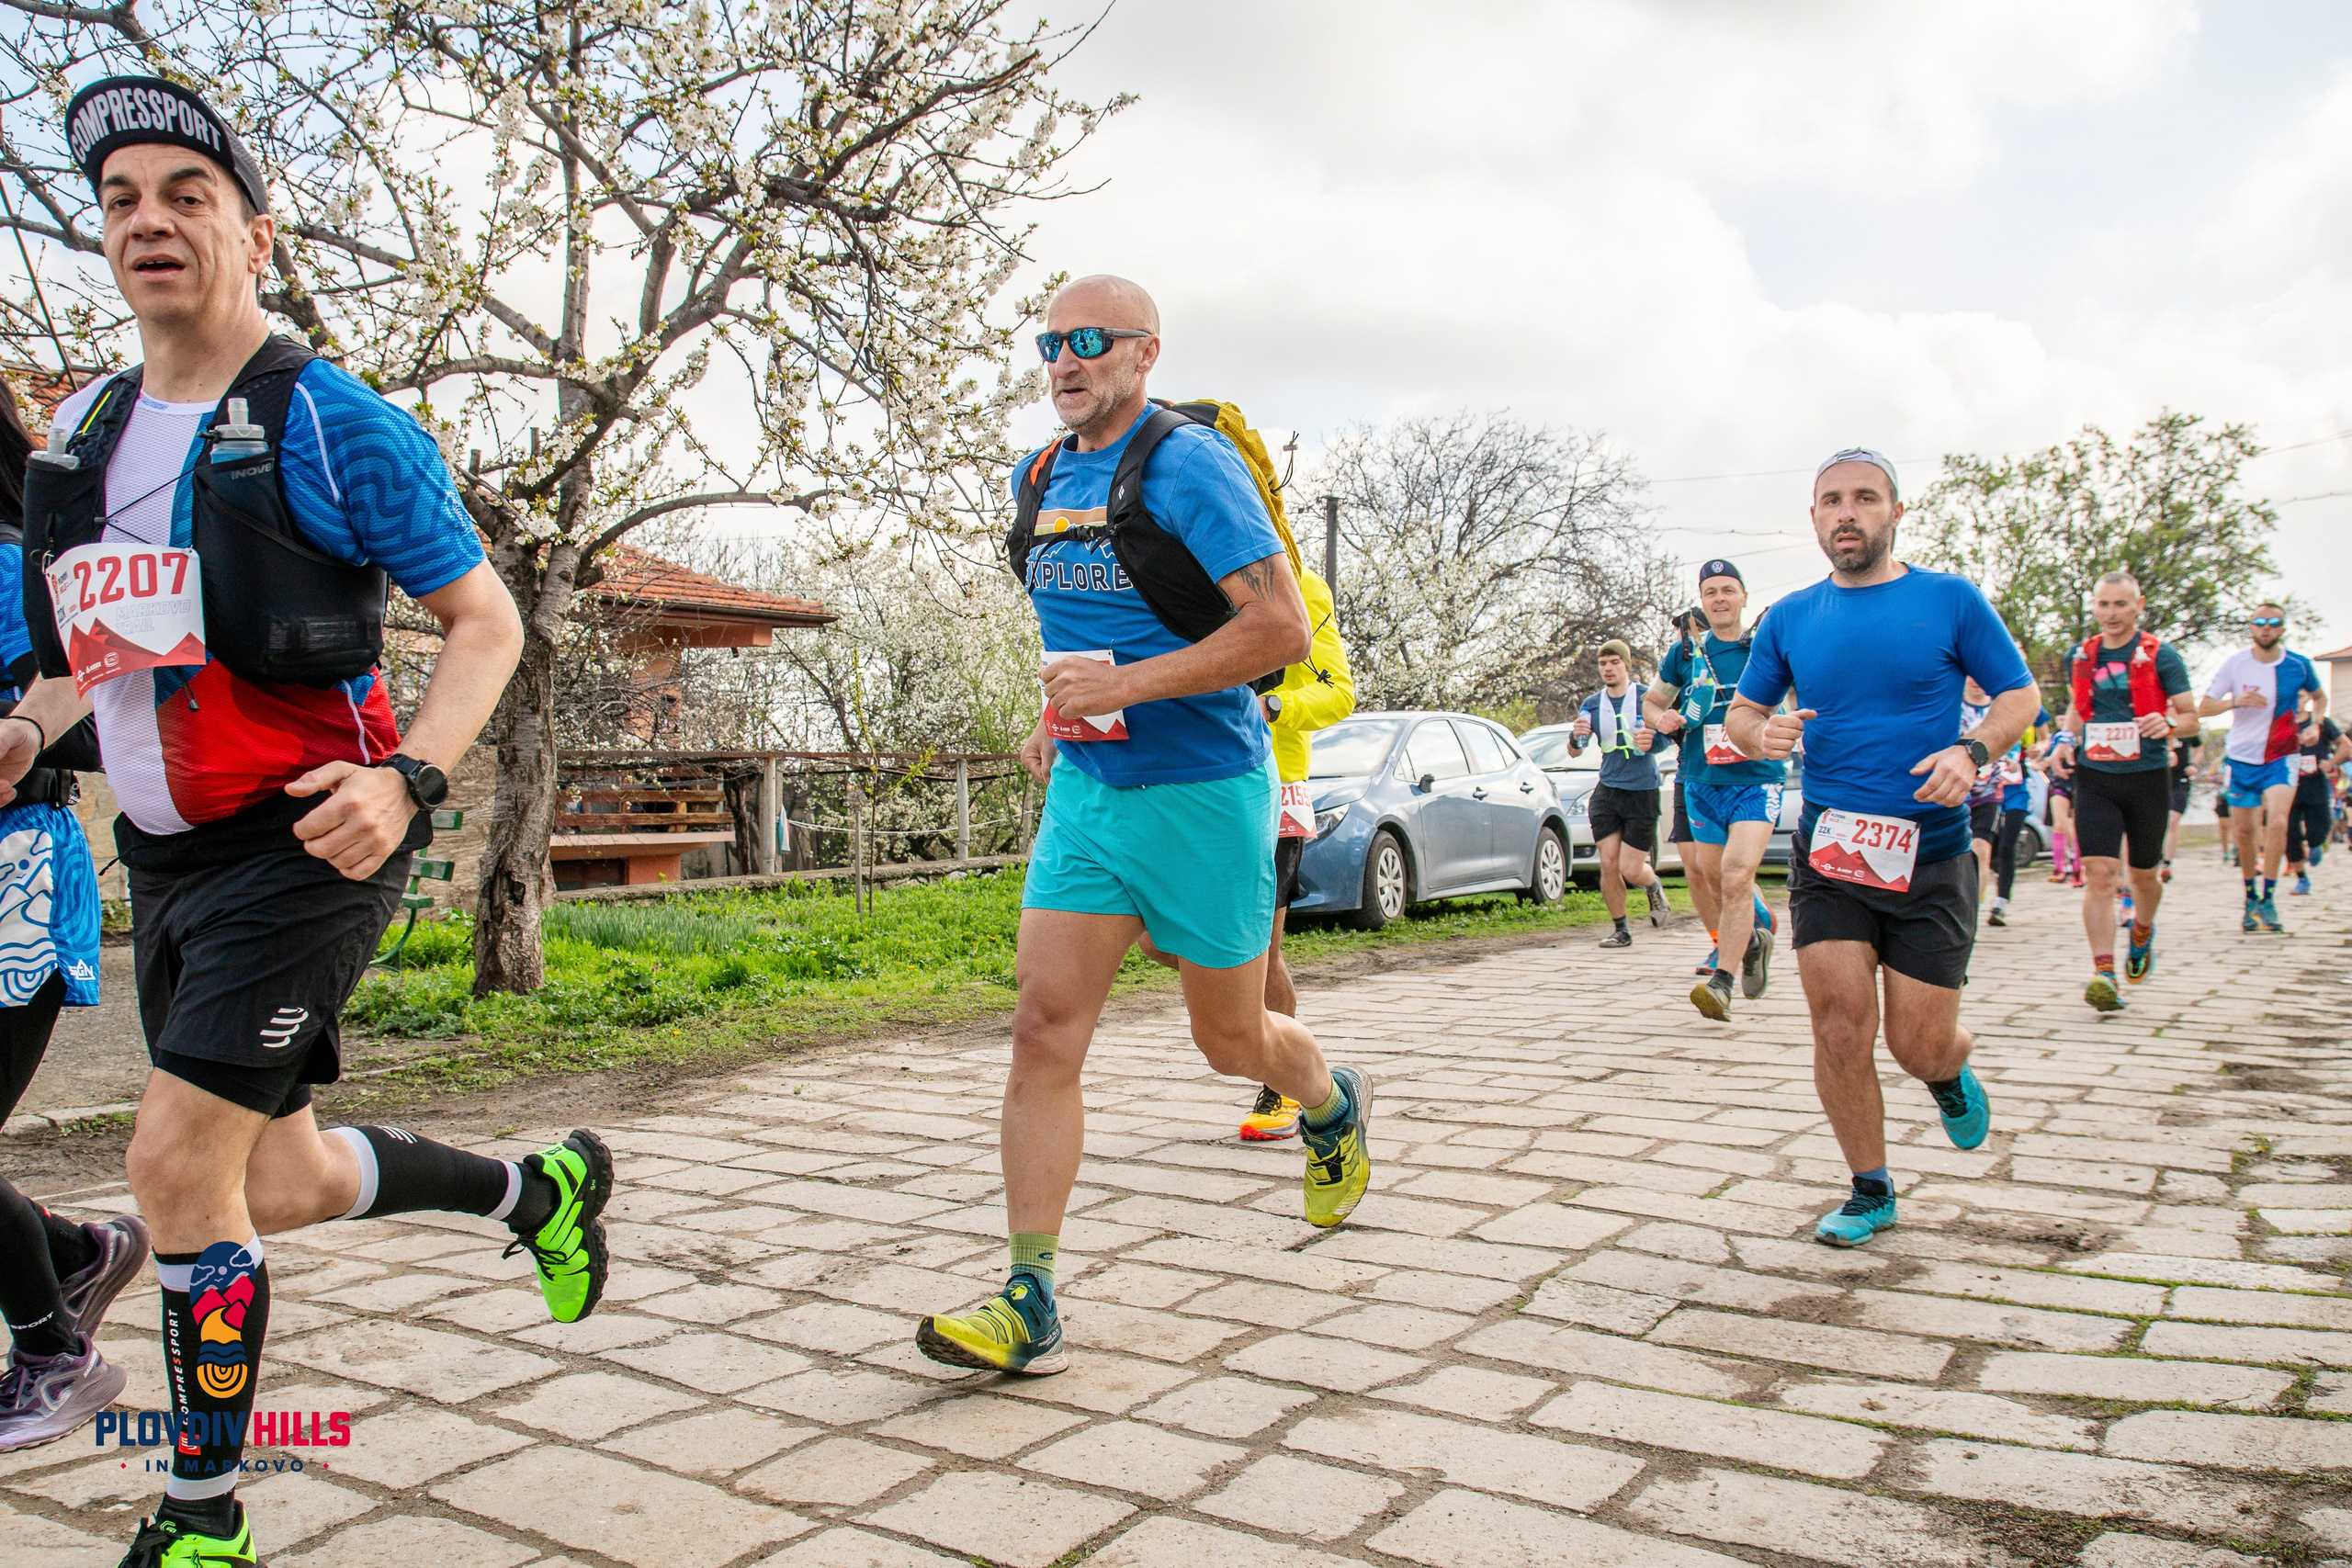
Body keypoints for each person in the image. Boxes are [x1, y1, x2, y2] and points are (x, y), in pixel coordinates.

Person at [16, 81, 606, 1567]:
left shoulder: (335, 424)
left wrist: (405, 778)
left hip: (311, 834)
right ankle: (538, 1190)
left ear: (254, 234)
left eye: (187, 195)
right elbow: (101, 652)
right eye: (123, 199)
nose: (151, 219)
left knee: (168, 1170)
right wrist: (29, 724)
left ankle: (203, 1512)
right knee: (268, 1179)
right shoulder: (82, 430)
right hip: (166, 852)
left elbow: (485, 623)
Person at [919, 275, 1371, 1379]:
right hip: (1088, 797)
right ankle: (1030, 1291)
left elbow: (1274, 633)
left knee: (1230, 1043)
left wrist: (1129, 681)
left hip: (1206, 794)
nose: (1064, 362)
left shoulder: (1189, 466)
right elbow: (1078, 630)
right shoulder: (1043, 474)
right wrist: (1052, 715)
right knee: (1041, 1029)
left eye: (1089, 342)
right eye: (1048, 344)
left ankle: (1327, 1098)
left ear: (1144, 352)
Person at [1727, 449, 2036, 1248]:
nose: (1847, 512)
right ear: (1814, 518)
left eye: (1864, 498)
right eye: (1831, 499)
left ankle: (1949, 1070)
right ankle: (1870, 1186)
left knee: (1916, 1043)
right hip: (1832, 852)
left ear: (1896, 510)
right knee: (1839, 1028)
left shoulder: (1949, 600)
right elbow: (1742, 717)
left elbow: (2020, 694)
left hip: (1930, 856)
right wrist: (1764, 731)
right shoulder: (1791, 617)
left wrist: (1971, 752)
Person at [0, 377, 151, 1453]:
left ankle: (58, 1353)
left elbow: (93, 691)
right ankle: (68, 1250)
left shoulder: (20, 555)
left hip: (16, 878)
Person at [1134, 565, 1353, 1142]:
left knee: (1267, 949)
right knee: (1153, 938)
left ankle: (1283, 1089)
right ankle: (1243, 999)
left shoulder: (1303, 589)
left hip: (1274, 787)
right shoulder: (1182, 580)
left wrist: (1272, 708)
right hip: (1193, 783)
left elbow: (1338, 691)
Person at [2048, 572, 2198, 1012]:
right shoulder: (2082, 655)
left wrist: (2168, 724)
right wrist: (2063, 741)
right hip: (2096, 777)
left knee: (2144, 876)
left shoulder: (2162, 655)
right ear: (2094, 607)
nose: (2111, 613)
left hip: (2148, 778)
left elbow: (2190, 718)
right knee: (2098, 873)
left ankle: (2142, 931)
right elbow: (2079, 708)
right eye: (2104, 605)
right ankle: (2104, 973)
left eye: (2121, 605)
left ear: (2138, 605)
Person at [1647, 559, 1781, 1019]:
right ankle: (1754, 941)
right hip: (1702, 781)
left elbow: (1804, 699)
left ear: (1743, 596)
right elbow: (1652, 701)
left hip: (1756, 781)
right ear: (1702, 601)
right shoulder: (1684, 654)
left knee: (1738, 871)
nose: (1720, 598)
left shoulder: (1767, 647)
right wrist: (1659, 718)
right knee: (1713, 877)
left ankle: (1723, 984)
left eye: (1728, 590)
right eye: (1711, 592)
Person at [2199, 604, 2324, 934]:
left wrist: (2316, 725)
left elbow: (2319, 697)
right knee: (2245, 831)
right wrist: (2234, 702)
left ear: (2282, 628)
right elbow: (2204, 707)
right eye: (2259, 622)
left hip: (2282, 755)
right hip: (2242, 757)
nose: (2265, 628)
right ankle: (2250, 897)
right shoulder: (2236, 664)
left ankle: (2269, 897)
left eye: (2273, 623)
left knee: (2279, 823)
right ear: (2251, 627)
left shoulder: (2298, 664)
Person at [1568, 638, 1668, 947]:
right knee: (1609, 863)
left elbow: (1667, 740)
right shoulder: (1593, 704)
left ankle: (1652, 884)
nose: (1608, 669)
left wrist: (1652, 741)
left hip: (1642, 790)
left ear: (1627, 665)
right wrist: (1576, 738)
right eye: (1603, 664)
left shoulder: (1646, 698)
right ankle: (1621, 929)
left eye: (1614, 663)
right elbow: (1575, 751)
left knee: (1630, 868)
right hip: (1607, 791)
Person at [1984, 702, 2047, 928]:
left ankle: (2000, 903)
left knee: (2007, 846)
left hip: (2017, 790)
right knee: (1986, 848)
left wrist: (2038, 749)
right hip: (1986, 787)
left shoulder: (2029, 702)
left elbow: (2045, 737)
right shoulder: (1987, 701)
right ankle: (1981, 892)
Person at [2285, 712, 2347, 895]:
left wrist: (2332, 762)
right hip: (2287, 786)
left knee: (2319, 828)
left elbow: (2345, 745)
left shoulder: (2321, 722)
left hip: (2316, 784)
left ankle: (2315, 844)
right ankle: (2301, 879)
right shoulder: (2281, 719)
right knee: (2289, 834)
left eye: (2302, 695)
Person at [2162, 729, 2201, 880]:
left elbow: (2198, 746)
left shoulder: (2185, 727)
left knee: (2172, 820)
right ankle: (2157, 858)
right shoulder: (2153, 721)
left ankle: (2167, 864)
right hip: (2158, 780)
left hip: (2180, 781)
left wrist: (2194, 764)